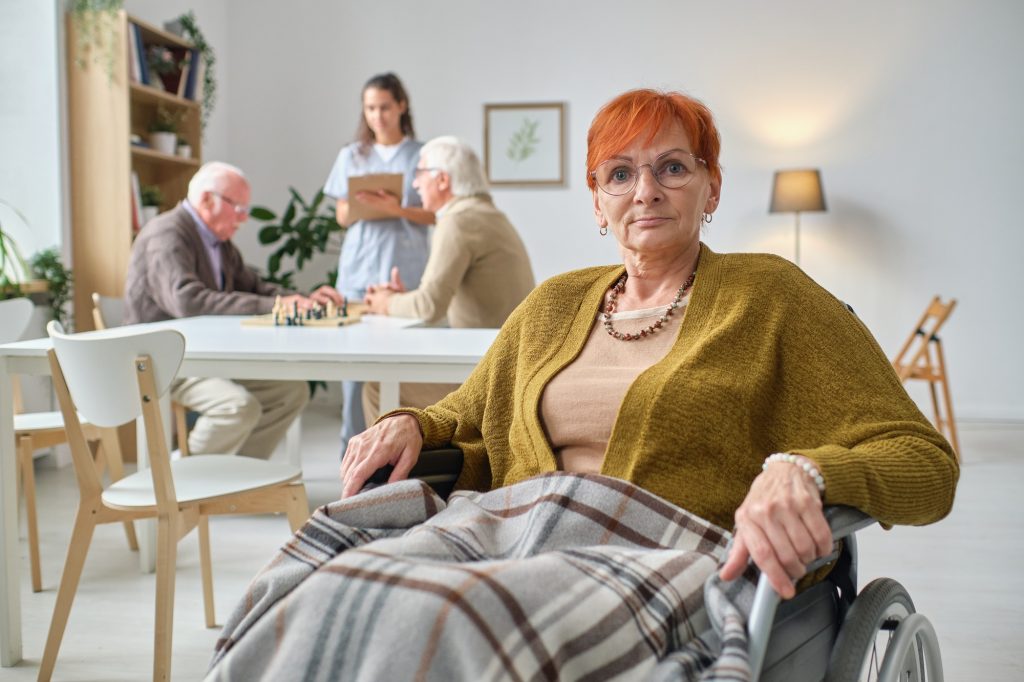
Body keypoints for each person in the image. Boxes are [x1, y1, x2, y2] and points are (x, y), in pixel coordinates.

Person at [340, 88, 959, 600]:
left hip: (664, 572)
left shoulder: (772, 295)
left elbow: (925, 462)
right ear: (597, 201)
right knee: (335, 584)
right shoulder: (553, 303)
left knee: (425, 616)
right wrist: (409, 424)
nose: (645, 191)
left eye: (672, 167)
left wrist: (805, 471)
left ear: (711, 187)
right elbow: (464, 415)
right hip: (514, 546)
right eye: (620, 173)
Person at [125, 161, 344, 458]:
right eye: (238, 207)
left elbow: (255, 287)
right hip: (165, 361)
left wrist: (303, 300)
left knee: (290, 393)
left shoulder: (218, 241)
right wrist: (277, 306)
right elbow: (188, 302)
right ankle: (182, 479)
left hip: (204, 356)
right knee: (237, 408)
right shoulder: (166, 235)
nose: (243, 218)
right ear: (206, 199)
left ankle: (238, 476)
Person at [361, 136, 535, 421]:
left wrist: (385, 302)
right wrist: (400, 299)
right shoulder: (486, 214)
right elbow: (446, 304)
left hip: (487, 373)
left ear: (442, 180)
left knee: (377, 389)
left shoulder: (458, 221)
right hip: (507, 364)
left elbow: (429, 307)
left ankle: (396, 453)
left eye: (419, 173)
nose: (415, 184)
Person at [322, 72, 434, 457]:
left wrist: (395, 208)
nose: (377, 116)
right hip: (359, 269)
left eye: (384, 107)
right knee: (353, 372)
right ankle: (352, 455)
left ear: (401, 106)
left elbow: (435, 214)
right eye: (370, 108)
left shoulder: (423, 154)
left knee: (406, 366)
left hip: (406, 270)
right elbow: (341, 215)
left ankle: (400, 452)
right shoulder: (352, 156)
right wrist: (362, 204)